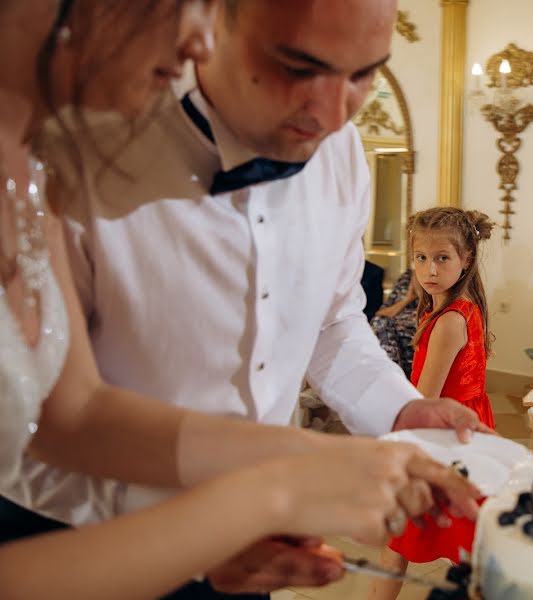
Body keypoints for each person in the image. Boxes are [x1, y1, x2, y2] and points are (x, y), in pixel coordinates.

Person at [0, 1, 481, 598]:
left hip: (248, 551)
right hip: (61, 536)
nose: (332, 115)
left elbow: (333, 321)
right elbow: (57, 422)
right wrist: (273, 484)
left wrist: (398, 411)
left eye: (363, 75)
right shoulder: (78, 141)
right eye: (295, 67)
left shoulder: (342, 152)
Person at [370, 207, 496, 600]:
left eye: (442, 258)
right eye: (421, 258)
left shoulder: (447, 322)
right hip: (466, 431)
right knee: (466, 544)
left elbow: (425, 399)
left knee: (400, 543)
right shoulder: (463, 308)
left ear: (466, 259)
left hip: (445, 439)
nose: (430, 270)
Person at [372, 268, 419, 378]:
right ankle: (390, 377)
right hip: (396, 322)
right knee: (379, 323)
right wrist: (407, 299)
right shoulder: (407, 277)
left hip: (418, 322)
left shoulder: (438, 277)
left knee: (385, 327)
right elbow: (380, 313)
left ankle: (390, 378)